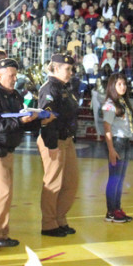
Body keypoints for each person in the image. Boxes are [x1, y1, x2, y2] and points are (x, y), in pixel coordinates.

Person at [0, 58, 38, 247]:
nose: (14, 78)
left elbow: (19, 118)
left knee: (6, 193)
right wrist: (21, 122)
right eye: (11, 75)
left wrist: (36, 119)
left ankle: (1, 232)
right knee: (2, 192)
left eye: (15, 75)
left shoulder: (15, 95)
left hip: (8, 150)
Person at [37, 54, 78, 237]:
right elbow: (47, 119)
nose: (70, 72)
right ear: (55, 68)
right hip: (53, 140)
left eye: (71, 69)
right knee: (53, 182)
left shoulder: (64, 88)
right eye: (67, 69)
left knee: (70, 182)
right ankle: (48, 223)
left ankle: (60, 218)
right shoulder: (49, 88)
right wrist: (51, 144)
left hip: (66, 139)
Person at [101, 73, 133, 223]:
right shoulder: (110, 104)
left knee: (120, 178)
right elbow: (107, 127)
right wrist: (111, 149)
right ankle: (111, 211)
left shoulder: (122, 101)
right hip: (117, 142)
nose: (123, 87)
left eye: (124, 84)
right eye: (119, 84)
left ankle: (117, 208)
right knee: (114, 178)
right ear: (112, 86)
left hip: (125, 141)